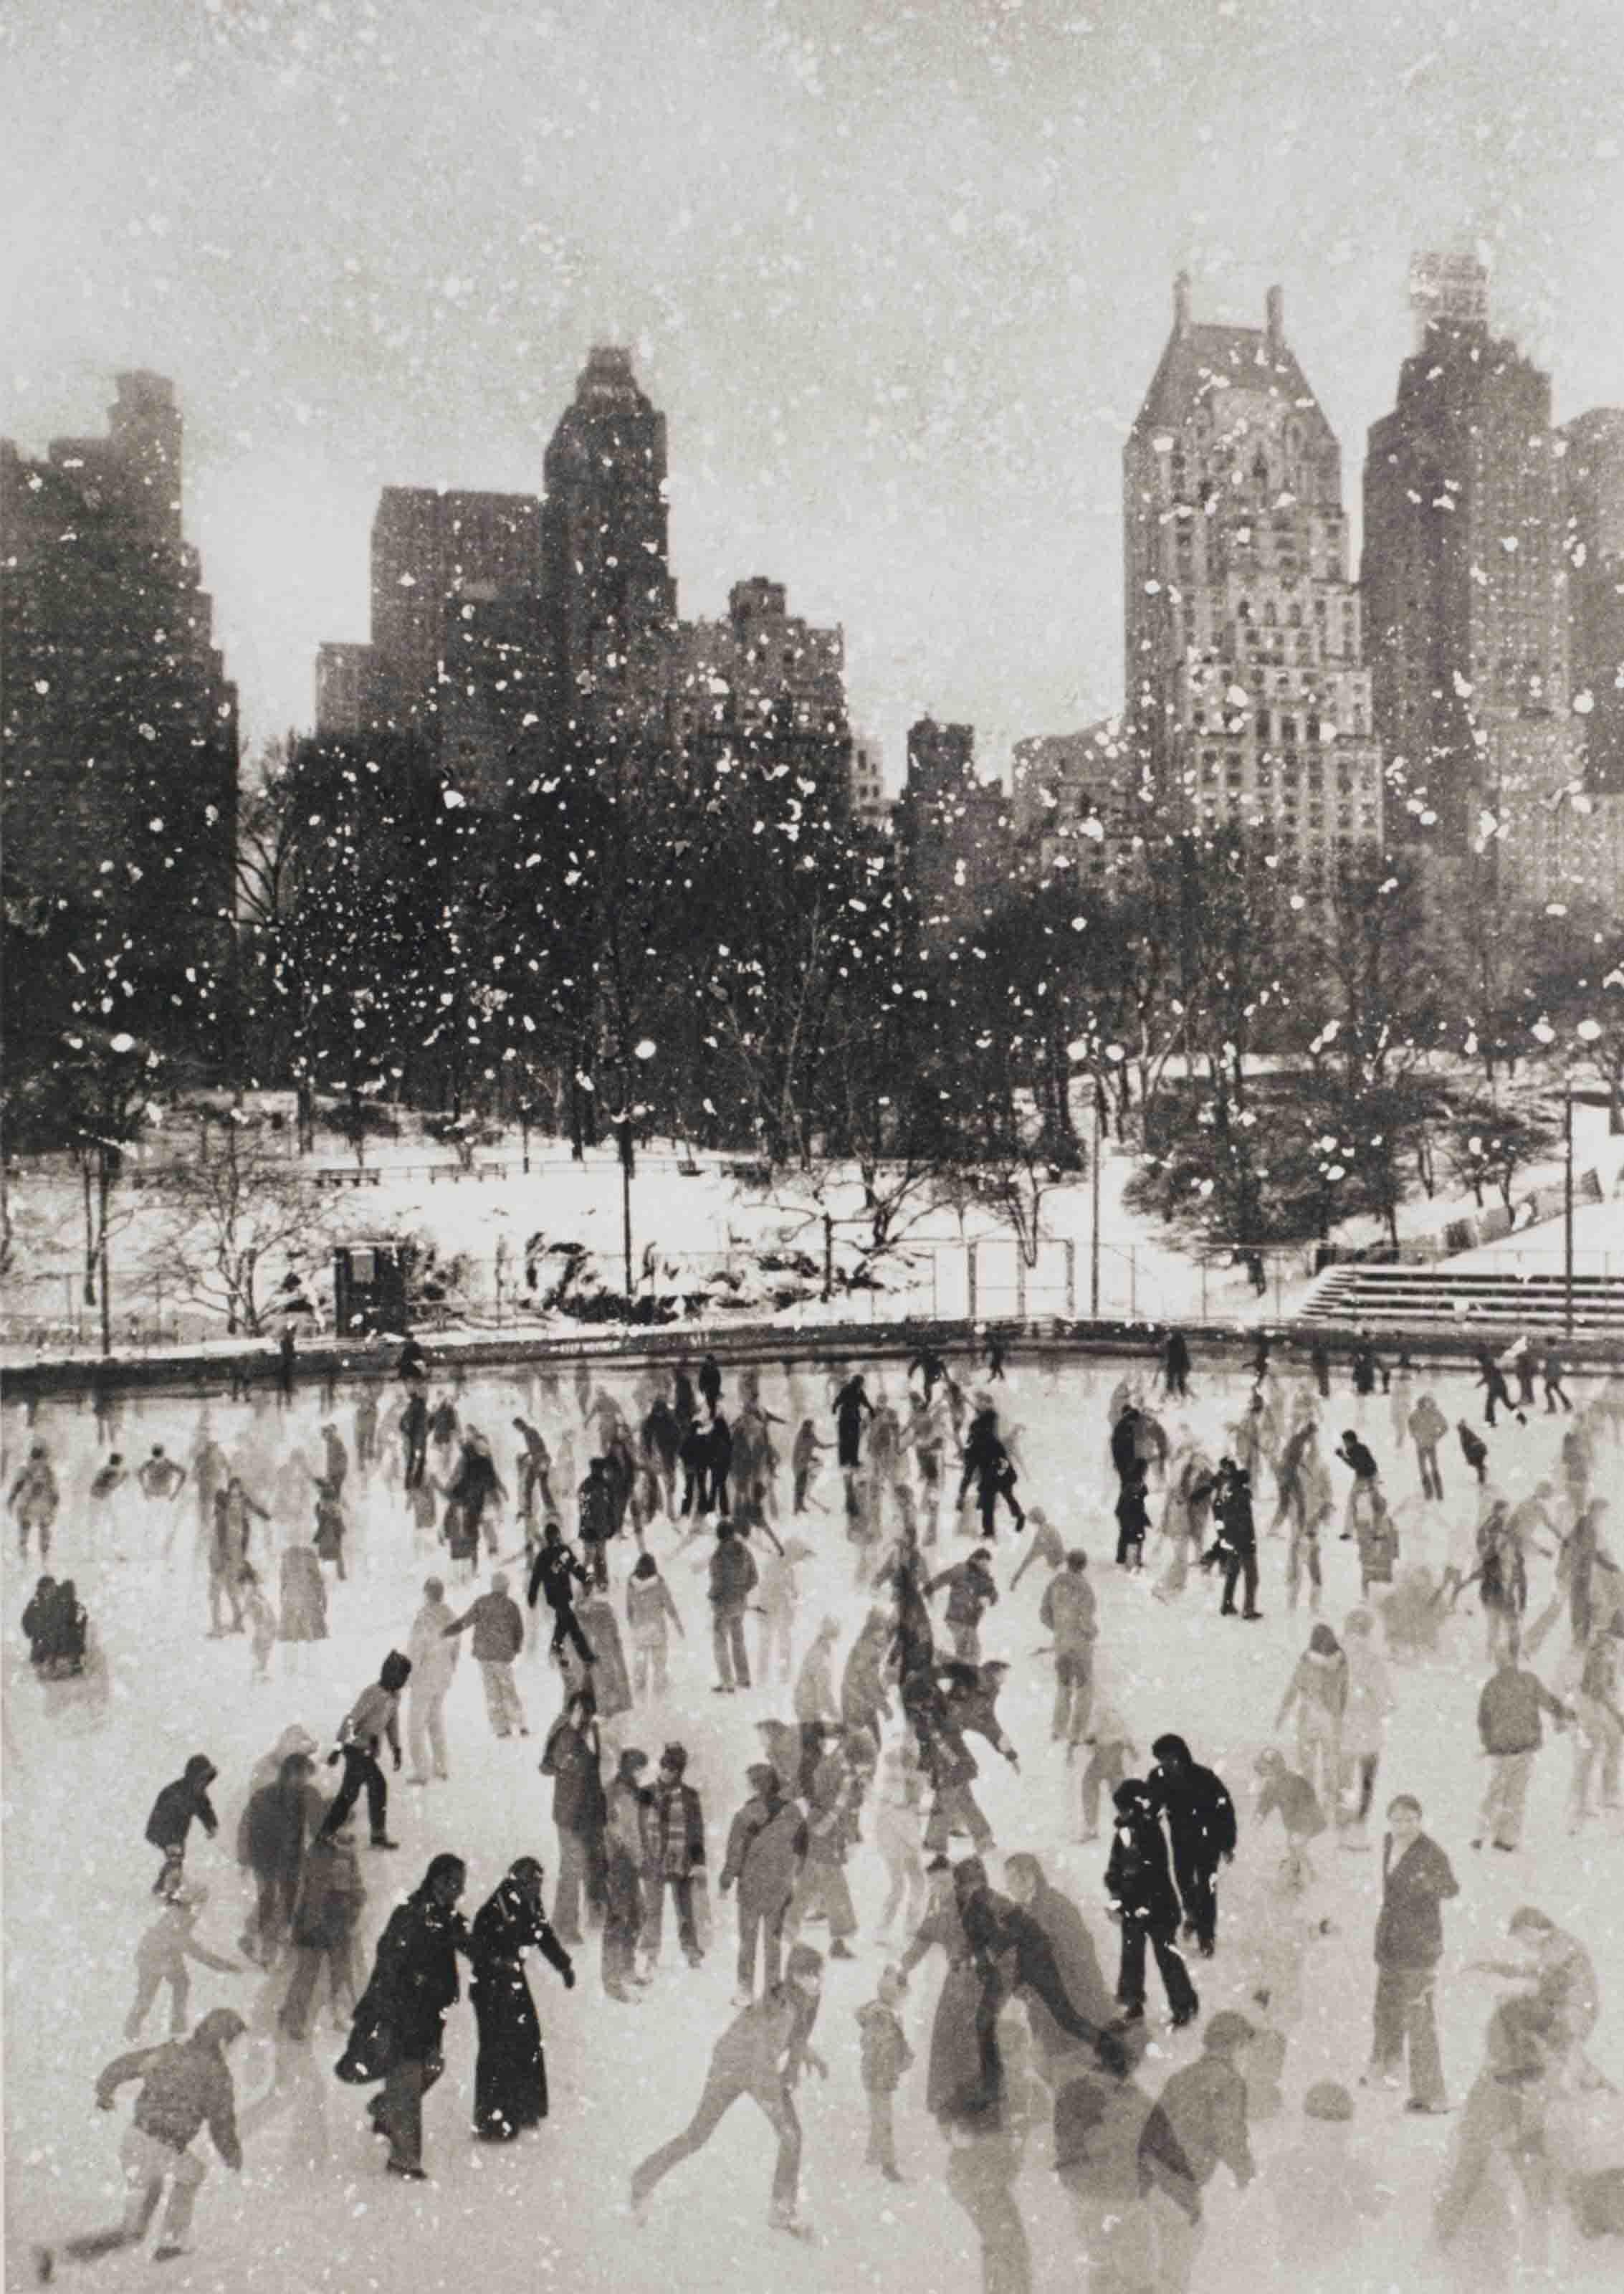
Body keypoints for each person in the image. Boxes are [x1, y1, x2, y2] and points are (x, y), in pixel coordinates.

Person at [629, 1943, 827, 2237]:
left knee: (786, 2136)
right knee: (705, 2134)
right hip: (735, 2066)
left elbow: (793, 2036)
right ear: (794, 1976)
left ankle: (782, 2209)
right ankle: (643, 2181)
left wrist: (804, 2056)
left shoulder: (803, 2000)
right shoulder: (783, 2005)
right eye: (808, 1975)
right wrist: (777, 2090)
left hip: (744, 2062)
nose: (816, 1982)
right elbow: (763, 2052)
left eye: (818, 1975)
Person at [37, 2008, 248, 2272]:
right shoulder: (216, 2074)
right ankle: (60, 2254)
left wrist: (105, 2090)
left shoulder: (171, 2051)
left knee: (187, 2174)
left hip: (137, 2139)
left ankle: (168, 2243)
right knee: (136, 2228)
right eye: (235, 2043)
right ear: (222, 2040)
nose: (234, 2051)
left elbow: (124, 2065)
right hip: (160, 2148)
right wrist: (232, 2155)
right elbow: (222, 2124)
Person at [344, 1853, 471, 2180]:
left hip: (427, 2013)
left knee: (430, 2067)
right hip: (403, 2012)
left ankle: (386, 2109)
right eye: (450, 1882)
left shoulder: (444, 1917)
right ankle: (404, 2158)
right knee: (408, 2075)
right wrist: (388, 2012)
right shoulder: (411, 1916)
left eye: (460, 1884)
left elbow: (469, 1942)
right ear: (435, 1881)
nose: (456, 1890)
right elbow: (388, 1964)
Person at [1137, 2011, 1258, 2293]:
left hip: (1149, 2171)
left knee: (1177, 2241)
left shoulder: (1182, 2076)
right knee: (1183, 2245)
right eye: (1246, 2049)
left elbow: (1155, 2121)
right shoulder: (1228, 2081)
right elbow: (1229, 2133)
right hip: (1177, 2176)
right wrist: (1245, 2171)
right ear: (1237, 2046)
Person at [469, 1856, 575, 2140]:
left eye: (540, 1885)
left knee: (527, 2037)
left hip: (511, 1976)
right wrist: (497, 1964)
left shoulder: (529, 1902)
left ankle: (525, 2105)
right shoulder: (498, 1908)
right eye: (535, 1885)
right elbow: (479, 1946)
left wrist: (563, 1964)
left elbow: (542, 1933)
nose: (539, 1891)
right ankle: (494, 2118)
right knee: (497, 2046)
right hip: (490, 1983)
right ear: (520, 1883)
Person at [1365, 1792, 1458, 2113]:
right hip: (1391, 1944)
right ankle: (1385, 2068)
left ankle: (1431, 2095)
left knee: (1419, 2020)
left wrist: (1424, 1885)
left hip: (1418, 1950)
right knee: (1385, 2010)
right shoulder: (1389, 1843)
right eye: (1397, 1819)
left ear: (1420, 1820)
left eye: (1410, 1819)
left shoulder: (1431, 1852)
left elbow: (1450, 1888)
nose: (1403, 1826)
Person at [1261, 2083, 1387, 2282]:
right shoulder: (1284, 2166)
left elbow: (1378, 2209)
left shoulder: (1283, 2165)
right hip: (1310, 2265)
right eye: (1331, 2137)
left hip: (1324, 2266)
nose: (1332, 2144)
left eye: (1336, 2138)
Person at [1003, 1852, 1114, 2075]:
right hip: (1047, 2010)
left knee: (1071, 2072)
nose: (1009, 1887)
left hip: (1071, 2008)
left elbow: (1079, 1958)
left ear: (1030, 1878)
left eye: (1012, 1880)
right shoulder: (1024, 1911)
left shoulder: (1055, 1908)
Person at [1105, 1780, 1200, 2027]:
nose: (1121, 1814)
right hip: (1133, 1907)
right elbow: (1116, 1866)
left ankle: (1184, 2003)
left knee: (1167, 1957)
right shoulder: (1124, 1834)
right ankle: (1133, 2002)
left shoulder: (1150, 1832)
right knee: (1131, 1956)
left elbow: (1150, 1871)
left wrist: (1126, 1890)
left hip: (1158, 1907)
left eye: (1124, 1808)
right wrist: (1116, 1892)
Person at [720, 1762, 808, 2005]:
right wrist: (792, 1877)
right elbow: (802, 1850)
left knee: (747, 1941)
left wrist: (726, 1881)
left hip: (751, 1886)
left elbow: (735, 1853)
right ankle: (773, 1989)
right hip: (779, 1887)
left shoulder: (745, 1815)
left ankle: (745, 1990)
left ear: (757, 1785)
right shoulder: (794, 1813)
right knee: (774, 1941)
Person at [1144, 1733, 1236, 1959]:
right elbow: (1153, 1806)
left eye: (1168, 1758)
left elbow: (1224, 1808)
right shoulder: (1158, 1777)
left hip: (1209, 1838)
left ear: (1180, 1755)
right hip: (1181, 1840)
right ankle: (1193, 1914)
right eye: (1161, 1760)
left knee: (1207, 1887)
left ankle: (1207, 1937)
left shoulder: (1204, 1777)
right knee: (1184, 1881)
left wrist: (1227, 1843)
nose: (1165, 1764)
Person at [1472, 1649, 1572, 1852]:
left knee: (1495, 1792)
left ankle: (1481, 1834)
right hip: (1524, 1748)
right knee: (1515, 1795)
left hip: (1501, 1751)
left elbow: (1483, 1720)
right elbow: (1549, 1703)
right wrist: (1567, 1714)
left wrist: (1489, 1743)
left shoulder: (1492, 1687)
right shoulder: (1528, 1681)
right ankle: (1506, 1839)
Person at [278, 1820, 366, 2040]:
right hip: (320, 1923)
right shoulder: (322, 1854)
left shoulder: (344, 1854)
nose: (347, 1830)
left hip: (333, 1922)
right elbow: (311, 1890)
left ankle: (330, 2016)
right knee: (311, 1974)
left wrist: (357, 1900)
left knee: (336, 1973)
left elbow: (354, 1886)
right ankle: (294, 2018)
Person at [124, 1882, 242, 2040]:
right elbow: (196, 1951)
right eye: (200, 1900)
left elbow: (189, 1944)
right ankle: (135, 2031)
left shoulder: (182, 1912)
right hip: (153, 1957)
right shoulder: (179, 1918)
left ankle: (173, 2026)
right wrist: (225, 1966)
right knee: (149, 1995)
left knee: (179, 1983)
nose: (202, 1905)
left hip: (165, 1953)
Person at [320, 1652, 411, 1850]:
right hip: (355, 1748)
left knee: (351, 1793)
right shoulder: (373, 1693)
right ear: (389, 1674)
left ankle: (328, 1831)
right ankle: (374, 1835)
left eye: (405, 1678)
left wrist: (397, 1748)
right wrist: (338, 1748)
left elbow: (392, 1723)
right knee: (376, 1786)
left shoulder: (395, 1697)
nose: (403, 1682)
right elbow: (351, 1720)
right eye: (400, 1677)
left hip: (368, 1751)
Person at [239, 1748, 321, 1967]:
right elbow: (246, 1825)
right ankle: (264, 1950)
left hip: (291, 1859)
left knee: (287, 1903)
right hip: (265, 1858)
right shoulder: (263, 1796)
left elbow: (317, 1825)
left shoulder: (306, 1795)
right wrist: (244, 1859)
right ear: (291, 1773)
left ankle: (273, 1949)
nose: (305, 1780)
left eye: (307, 1776)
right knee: (268, 1902)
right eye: (303, 1775)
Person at [539, 1689, 607, 1945]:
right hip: (569, 1814)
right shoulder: (565, 1735)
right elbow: (550, 1765)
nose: (579, 1715)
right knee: (572, 1868)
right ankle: (564, 1925)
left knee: (594, 1864)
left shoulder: (594, 1733)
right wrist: (567, 1759)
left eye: (584, 1711)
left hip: (591, 1812)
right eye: (576, 1710)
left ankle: (594, 1917)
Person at [639, 1741, 707, 1974]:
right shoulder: (646, 1793)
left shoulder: (690, 1796)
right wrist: (641, 1856)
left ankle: (691, 1952)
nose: (667, 1772)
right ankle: (650, 1954)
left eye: (673, 1769)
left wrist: (699, 1863)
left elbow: (697, 1832)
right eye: (665, 1767)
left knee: (685, 1910)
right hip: (653, 1860)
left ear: (680, 1772)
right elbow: (639, 1827)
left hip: (682, 1860)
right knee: (652, 1910)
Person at [441, 1571, 527, 1739]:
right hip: (502, 1655)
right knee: (508, 1689)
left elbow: (465, 1622)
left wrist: (447, 1631)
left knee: (492, 1692)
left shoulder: (482, 1603)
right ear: (506, 1587)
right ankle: (521, 1724)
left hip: (485, 1655)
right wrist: (516, 1648)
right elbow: (519, 1630)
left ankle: (501, 1729)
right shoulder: (511, 1606)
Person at [1274, 1622, 1347, 1811]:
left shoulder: (1307, 1661)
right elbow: (1344, 1693)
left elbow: (1293, 1689)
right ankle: (1329, 1804)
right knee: (1330, 1764)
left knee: (1307, 1763)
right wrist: (1340, 1716)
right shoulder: (1341, 1662)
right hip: (1331, 1718)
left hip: (1308, 1716)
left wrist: (1282, 1714)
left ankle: (1308, 1802)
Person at [1338, 1608, 1394, 1850]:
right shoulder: (1373, 1659)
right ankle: (1358, 1828)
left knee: (1344, 1777)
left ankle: (1341, 1823)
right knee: (1367, 1779)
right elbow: (1386, 1701)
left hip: (1342, 1727)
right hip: (1368, 1730)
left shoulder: (1335, 1656)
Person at [856, 1964, 913, 2181]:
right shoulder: (883, 2019)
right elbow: (884, 2048)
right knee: (883, 2119)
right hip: (879, 2075)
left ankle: (873, 2154)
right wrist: (901, 2060)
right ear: (895, 1995)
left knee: (878, 2116)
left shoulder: (885, 2015)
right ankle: (888, 2165)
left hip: (876, 2073)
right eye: (903, 1996)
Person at [403, 1576, 459, 1785]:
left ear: (427, 1594)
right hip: (442, 1676)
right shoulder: (451, 1616)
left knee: (415, 1726)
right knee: (435, 1722)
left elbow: (416, 1651)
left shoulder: (424, 1618)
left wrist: (408, 1677)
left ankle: (422, 1770)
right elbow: (456, 1648)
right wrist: (451, 1668)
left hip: (425, 1677)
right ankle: (441, 1766)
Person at [145, 1755, 219, 1899]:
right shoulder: (175, 1794)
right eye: (200, 1779)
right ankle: (169, 1892)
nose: (203, 1784)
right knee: (175, 1859)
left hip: (178, 1833)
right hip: (162, 1830)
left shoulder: (198, 1794)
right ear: (193, 1778)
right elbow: (162, 1818)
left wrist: (211, 1825)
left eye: (205, 1780)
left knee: (176, 1860)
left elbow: (205, 1810)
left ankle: (162, 1887)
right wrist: (169, 1842)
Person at [1253, 1750, 1328, 1891]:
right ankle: (1308, 1876)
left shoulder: (1295, 1782)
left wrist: (1301, 1829)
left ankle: (1293, 1880)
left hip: (1309, 1820)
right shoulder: (1271, 1785)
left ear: (1277, 1768)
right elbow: (1265, 1802)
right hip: (1293, 1823)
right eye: (1263, 1770)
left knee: (1296, 1847)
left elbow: (1307, 1804)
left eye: (1267, 1770)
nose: (1264, 1774)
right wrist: (1259, 1816)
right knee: (1295, 1848)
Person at [526, 1518, 596, 1667]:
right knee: (572, 1625)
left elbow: (536, 1579)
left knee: (563, 1624)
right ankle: (586, 1657)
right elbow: (575, 1567)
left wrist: (532, 1596)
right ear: (557, 1535)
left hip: (554, 1596)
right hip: (562, 1594)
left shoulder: (544, 1556)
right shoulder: (561, 1551)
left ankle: (556, 1650)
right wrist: (585, 1578)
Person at [1206, 1460, 1261, 1619]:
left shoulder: (1226, 1491)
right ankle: (1248, 1609)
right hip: (1243, 1541)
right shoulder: (1239, 1494)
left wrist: (1226, 1537)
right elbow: (1242, 1520)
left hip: (1232, 1539)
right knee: (1251, 1576)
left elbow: (1223, 1514)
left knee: (1233, 1572)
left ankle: (1227, 1604)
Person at [707, 1518, 758, 1693]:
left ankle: (727, 1682)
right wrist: (742, 1590)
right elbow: (754, 1578)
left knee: (720, 1642)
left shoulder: (719, 1555)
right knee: (738, 1641)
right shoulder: (744, 1551)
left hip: (724, 1604)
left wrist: (712, 1596)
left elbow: (717, 1582)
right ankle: (744, 1678)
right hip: (740, 1602)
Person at [926, 1548, 1000, 1665]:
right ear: (975, 1559)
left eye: (987, 1562)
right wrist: (928, 1589)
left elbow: (994, 1594)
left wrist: (989, 1598)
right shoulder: (962, 1569)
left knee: (973, 1655)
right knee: (968, 1654)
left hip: (971, 1623)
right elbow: (943, 1578)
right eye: (983, 1561)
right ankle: (938, 1660)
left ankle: (953, 1670)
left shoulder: (986, 1579)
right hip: (956, 1619)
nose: (985, 1565)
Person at [9, 1443, 59, 1564]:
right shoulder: (48, 1471)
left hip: (28, 1504)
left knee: (25, 1532)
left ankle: (24, 1559)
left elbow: (17, 1487)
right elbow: (55, 1493)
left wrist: (11, 1500)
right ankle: (44, 1560)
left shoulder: (25, 1469)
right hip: (43, 1506)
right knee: (44, 1530)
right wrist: (54, 1507)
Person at [1409, 1391, 1448, 1502]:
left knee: (1432, 1468)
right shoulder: (1416, 1414)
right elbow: (1411, 1424)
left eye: (1428, 1403)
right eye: (1424, 1403)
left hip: (1429, 1444)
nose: (1426, 1405)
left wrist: (1436, 1436)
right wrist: (1415, 1436)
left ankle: (1437, 1494)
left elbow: (1445, 1427)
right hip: (1422, 1445)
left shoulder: (1435, 1413)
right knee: (1425, 1469)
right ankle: (1431, 1493)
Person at [1458, 1418, 1489, 1488]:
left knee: (1478, 1465)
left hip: (1478, 1451)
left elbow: (1466, 1449)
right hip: (1480, 1449)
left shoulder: (1465, 1435)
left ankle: (1481, 1480)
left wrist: (1468, 1458)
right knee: (1479, 1465)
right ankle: (1482, 1475)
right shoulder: (1468, 1432)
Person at [1542, 1344, 1572, 1414]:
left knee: (1547, 1390)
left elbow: (1548, 1364)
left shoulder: (1549, 1351)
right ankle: (1568, 1404)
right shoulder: (1558, 1350)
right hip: (1558, 1373)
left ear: (1547, 1343)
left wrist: (1545, 1373)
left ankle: (1552, 1407)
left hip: (1552, 1373)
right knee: (1557, 1389)